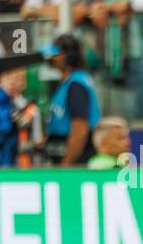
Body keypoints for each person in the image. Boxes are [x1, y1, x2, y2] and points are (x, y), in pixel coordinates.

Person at [43, 33, 101, 165]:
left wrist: (67, 164)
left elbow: (80, 128)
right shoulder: (67, 83)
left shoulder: (76, 84)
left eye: (56, 54)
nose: (52, 58)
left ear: (68, 56)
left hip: (77, 162)